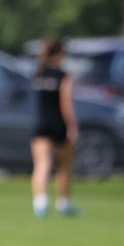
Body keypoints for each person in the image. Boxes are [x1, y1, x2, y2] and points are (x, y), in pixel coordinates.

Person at [30, 37, 79, 217]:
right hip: (59, 124)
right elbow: (66, 103)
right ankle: (64, 203)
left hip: (42, 123)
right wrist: (72, 127)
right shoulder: (64, 76)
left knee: (42, 165)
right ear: (59, 54)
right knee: (64, 166)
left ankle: (40, 203)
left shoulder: (38, 74)